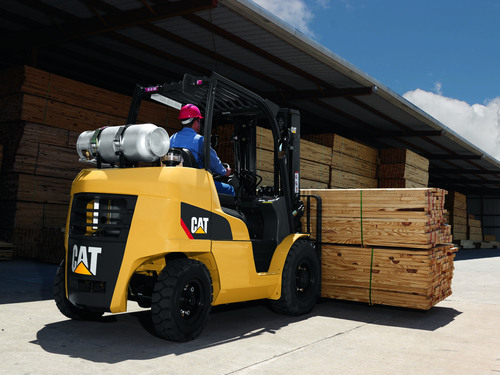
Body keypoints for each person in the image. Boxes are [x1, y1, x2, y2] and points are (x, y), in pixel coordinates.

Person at [170, 104, 235, 196]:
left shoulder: (172, 138)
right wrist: (225, 172)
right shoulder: (200, 140)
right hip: (195, 183)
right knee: (229, 189)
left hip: (176, 181)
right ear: (196, 122)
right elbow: (213, 161)